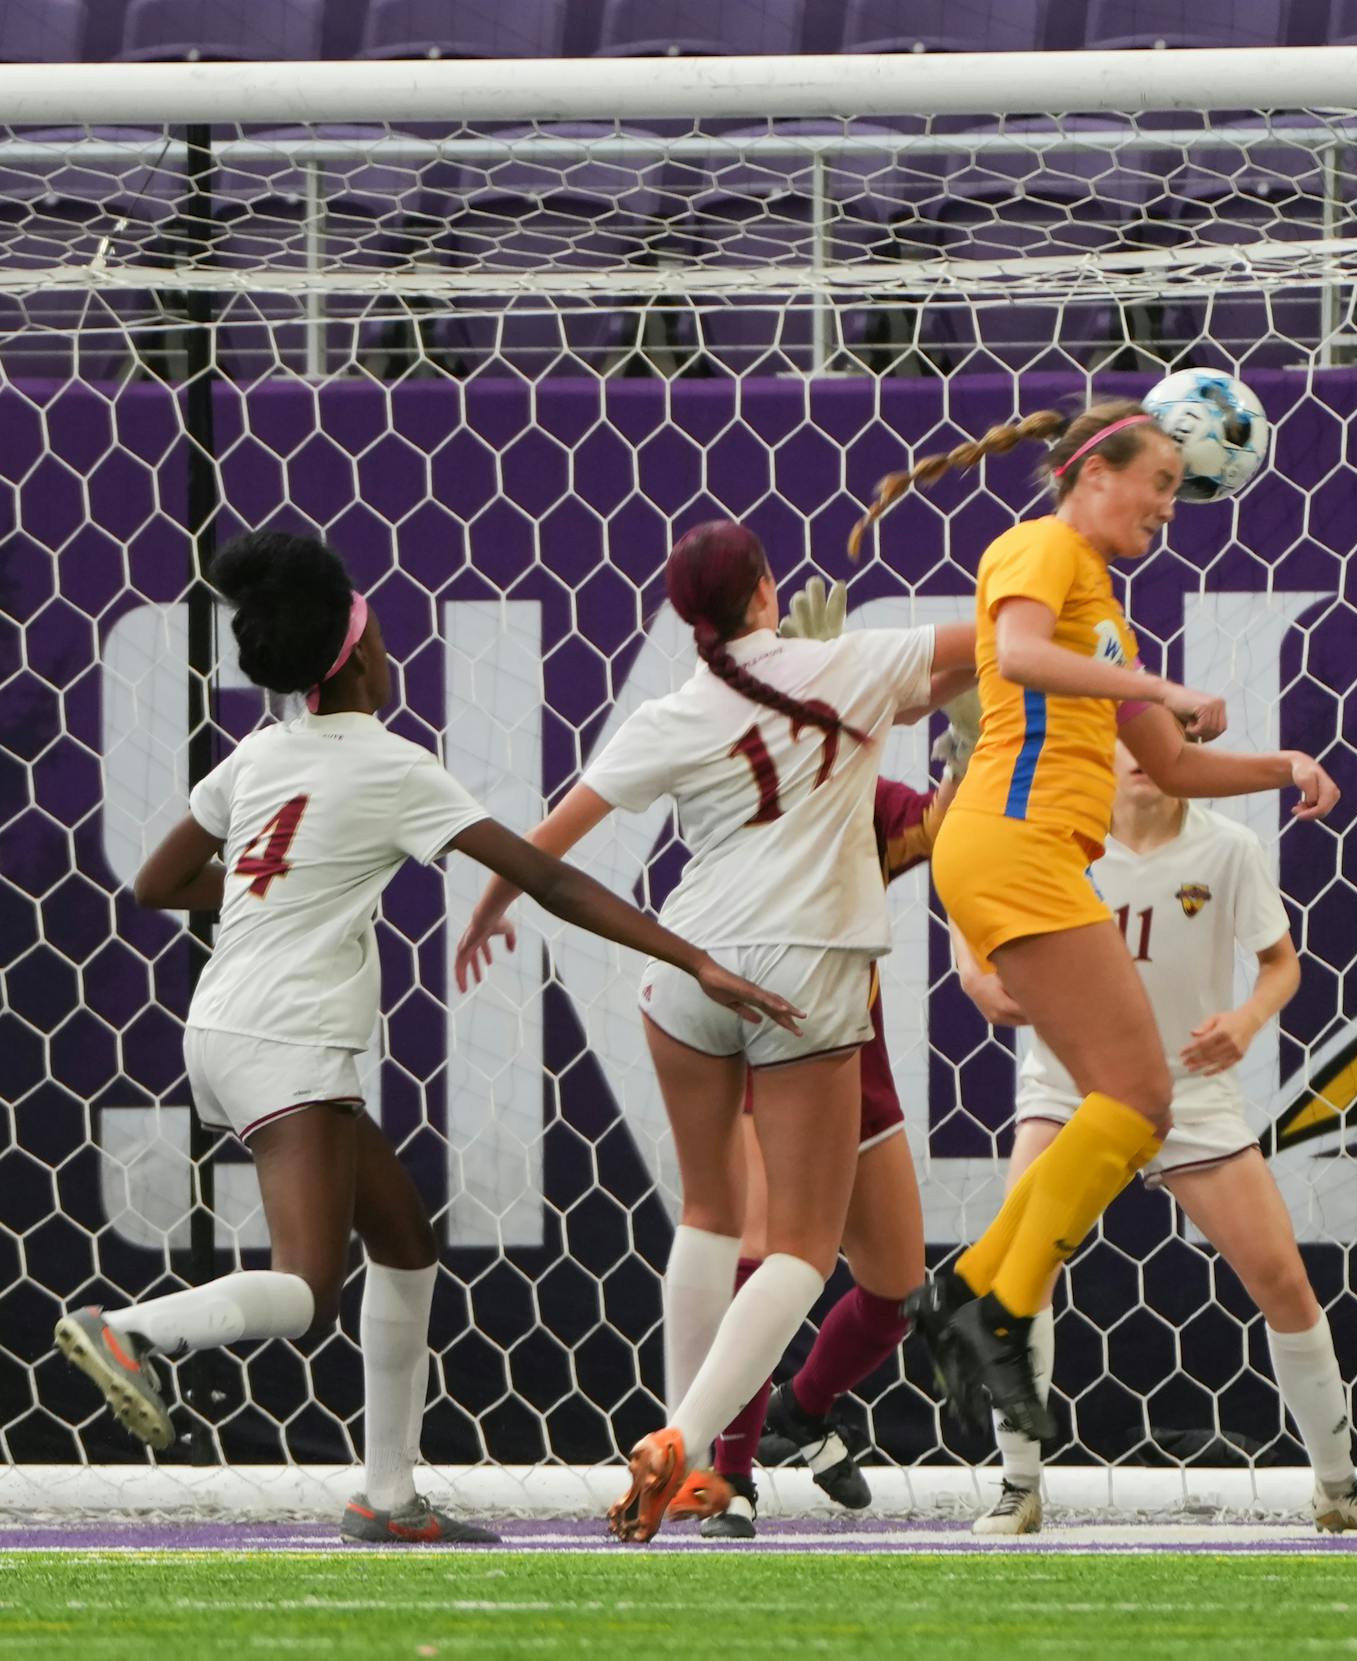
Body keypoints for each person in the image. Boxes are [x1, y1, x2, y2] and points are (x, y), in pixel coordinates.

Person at [56, 529, 798, 1546]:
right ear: (357, 657)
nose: (392, 652)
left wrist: (278, 888)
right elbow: (549, 877)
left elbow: (154, 881)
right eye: (383, 635)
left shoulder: (260, 753)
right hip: (287, 1037)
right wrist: (689, 955)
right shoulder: (393, 765)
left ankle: (387, 1492)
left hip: (226, 1023)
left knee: (404, 1241)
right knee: (308, 1285)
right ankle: (130, 1330)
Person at [454, 522, 975, 1542]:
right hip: (803, 979)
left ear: (684, 618)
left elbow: (556, 834)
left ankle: (712, 1435)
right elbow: (995, 638)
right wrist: (1101, 677)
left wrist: (487, 904)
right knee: (794, 1249)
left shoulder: (676, 708)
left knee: (716, 1215)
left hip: (688, 968)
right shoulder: (846, 667)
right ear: (772, 589)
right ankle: (697, 1451)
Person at [847, 398, 1339, 1441]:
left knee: (1130, 1102)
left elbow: (1167, 763)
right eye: (1160, 480)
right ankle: (990, 1298)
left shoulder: (1104, 607)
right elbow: (1016, 656)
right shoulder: (1039, 546)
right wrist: (1158, 679)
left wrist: (1281, 767)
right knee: (1139, 1094)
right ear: (1091, 473)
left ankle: (974, 1295)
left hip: (1031, 848)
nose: (1173, 502)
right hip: (1007, 837)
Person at [957, 744, 1357, 1537]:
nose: (1146, 755)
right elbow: (972, 902)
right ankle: (1018, 1485)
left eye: (1168, 738)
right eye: (1133, 735)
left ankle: (1339, 1485)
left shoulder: (1228, 847)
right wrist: (974, 973)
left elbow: (1282, 965)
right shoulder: (1054, 841)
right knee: (1018, 1275)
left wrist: (1246, 1020)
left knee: (1282, 1277)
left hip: (1191, 1100)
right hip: (1070, 1089)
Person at [700, 583, 983, 1541]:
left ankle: (801, 1413)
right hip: (764, 1047)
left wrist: (967, 751)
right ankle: (726, 1478)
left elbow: (944, 832)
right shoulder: (733, 783)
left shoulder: (859, 793)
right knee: (766, 1261)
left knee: (897, 1289)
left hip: (855, 1059)